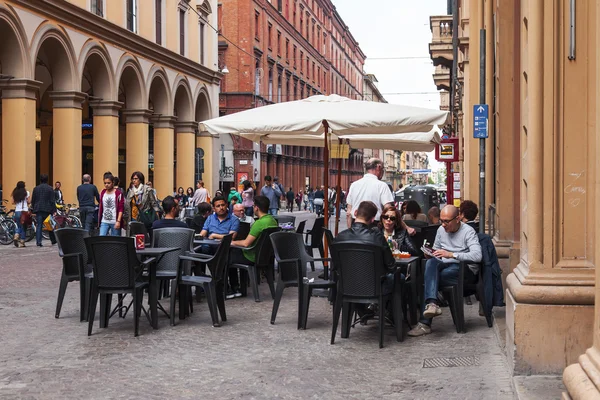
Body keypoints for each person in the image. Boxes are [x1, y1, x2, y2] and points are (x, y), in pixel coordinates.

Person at [408, 205, 482, 337]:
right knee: (430, 263)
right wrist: (430, 253)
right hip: (443, 265)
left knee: (427, 280)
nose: (443, 225)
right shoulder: (441, 230)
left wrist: (451, 255)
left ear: (457, 219)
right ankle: (432, 303)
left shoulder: (468, 231)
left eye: (446, 221)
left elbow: (477, 256)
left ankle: (425, 324)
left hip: (463, 269)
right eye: (441, 221)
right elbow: (437, 250)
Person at [335, 201, 396, 303]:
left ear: (355, 213)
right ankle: (390, 314)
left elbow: (336, 265)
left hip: (347, 285)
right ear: (372, 219)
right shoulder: (377, 238)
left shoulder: (339, 237)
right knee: (398, 278)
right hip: (374, 287)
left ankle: (363, 311)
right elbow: (391, 266)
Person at [346, 158, 415, 235]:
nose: (383, 172)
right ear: (378, 167)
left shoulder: (354, 185)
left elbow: (349, 213)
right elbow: (390, 210)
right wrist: (407, 228)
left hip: (355, 225)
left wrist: (350, 232)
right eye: (383, 169)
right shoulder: (382, 186)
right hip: (374, 227)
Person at [31, 174, 57, 246]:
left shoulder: (36, 188)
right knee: (49, 224)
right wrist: (54, 210)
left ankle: (38, 242)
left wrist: (34, 208)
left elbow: (33, 200)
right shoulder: (50, 188)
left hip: (38, 209)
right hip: (48, 209)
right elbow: (52, 200)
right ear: (47, 180)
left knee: (39, 225)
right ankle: (53, 240)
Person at [98, 172, 124, 236]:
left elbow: (121, 208)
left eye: (108, 183)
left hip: (114, 221)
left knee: (115, 241)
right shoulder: (102, 192)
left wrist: (118, 221)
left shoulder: (118, 193)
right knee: (101, 237)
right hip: (104, 221)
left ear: (113, 183)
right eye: (105, 183)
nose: (106, 185)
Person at [11, 181, 29, 247]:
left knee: (19, 225)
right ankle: (22, 241)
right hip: (24, 211)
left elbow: (12, 202)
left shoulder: (15, 193)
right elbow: (29, 201)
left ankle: (16, 235)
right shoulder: (26, 193)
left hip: (17, 211)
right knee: (24, 226)